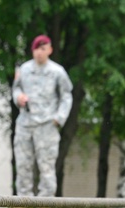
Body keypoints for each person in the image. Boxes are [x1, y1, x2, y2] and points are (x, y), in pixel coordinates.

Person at [12, 35, 73, 199]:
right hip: (25, 123)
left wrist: (59, 118)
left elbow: (66, 96)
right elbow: (16, 89)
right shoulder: (24, 69)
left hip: (47, 124)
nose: (39, 52)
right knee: (23, 163)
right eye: (36, 49)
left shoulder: (57, 72)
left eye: (43, 49)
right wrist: (18, 98)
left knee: (46, 164)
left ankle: (46, 202)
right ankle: (23, 200)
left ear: (50, 50)